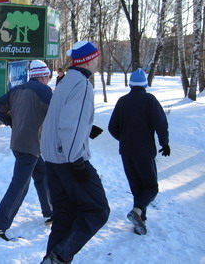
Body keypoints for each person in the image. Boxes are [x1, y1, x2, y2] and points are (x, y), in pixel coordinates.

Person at [40, 41, 110, 263]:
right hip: (69, 160)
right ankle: (60, 256)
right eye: (97, 57)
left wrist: (87, 128)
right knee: (98, 210)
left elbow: (60, 119)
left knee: (65, 216)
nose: (98, 61)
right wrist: (77, 161)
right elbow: (69, 126)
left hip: (52, 159)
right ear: (90, 59)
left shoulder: (65, 81)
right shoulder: (82, 84)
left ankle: (50, 260)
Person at [0, 60, 53, 241]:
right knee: (20, 185)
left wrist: (12, 122)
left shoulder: (17, 89)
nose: (48, 79)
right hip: (30, 145)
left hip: (19, 143)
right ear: (43, 75)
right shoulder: (45, 92)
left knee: (42, 174)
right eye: (47, 76)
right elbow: (55, 114)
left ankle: (50, 212)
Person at [108, 68, 170, 235]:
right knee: (151, 187)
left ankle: (140, 222)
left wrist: (125, 139)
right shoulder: (150, 100)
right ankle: (138, 212)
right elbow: (161, 124)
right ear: (145, 84)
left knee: (137, 187)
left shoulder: (122, 101)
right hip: (144, 151)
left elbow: (112, 127)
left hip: (126, 151)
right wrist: (164, 143)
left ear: (131, 84)